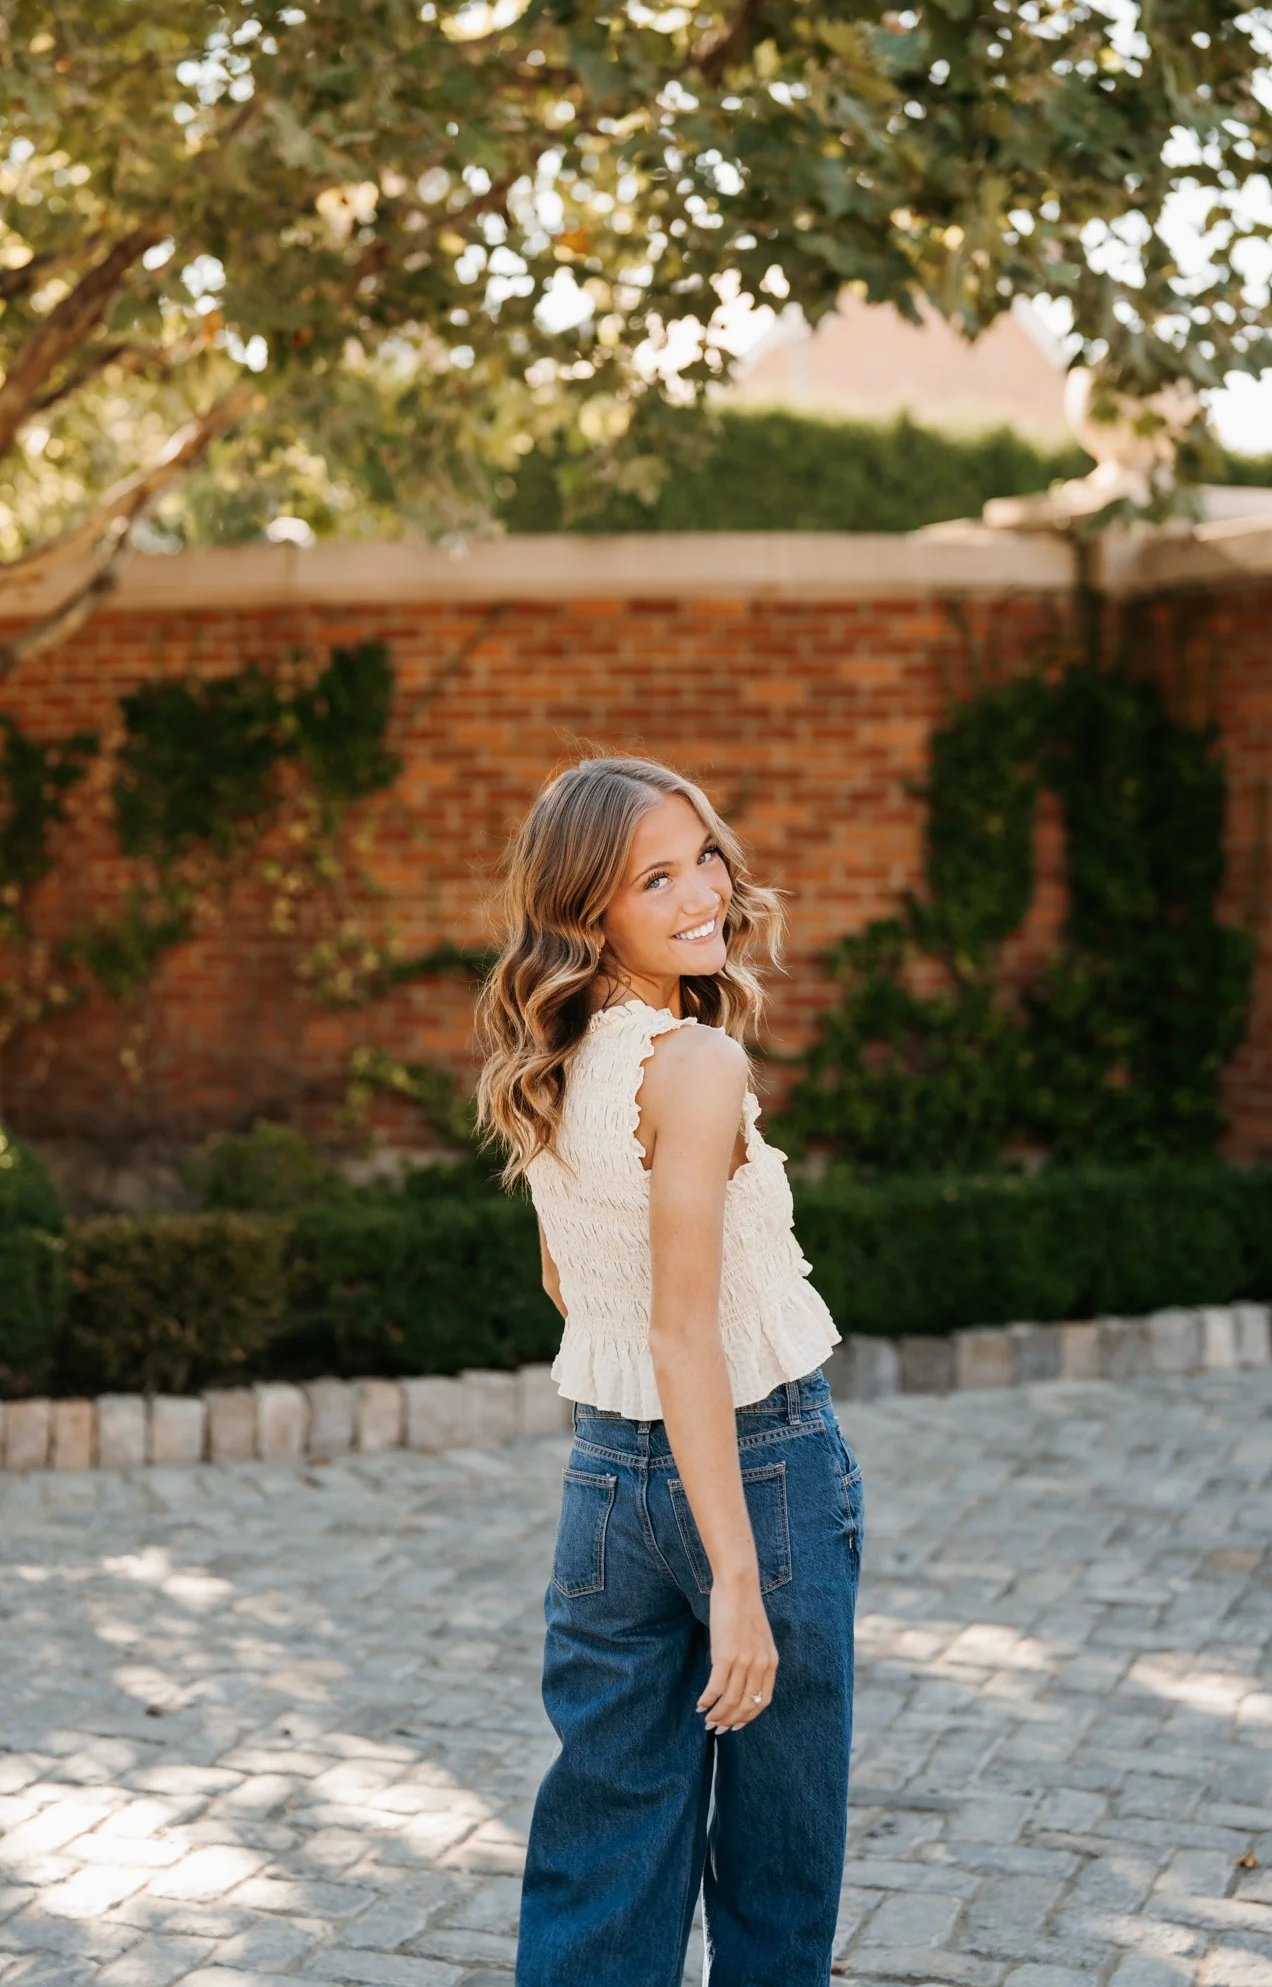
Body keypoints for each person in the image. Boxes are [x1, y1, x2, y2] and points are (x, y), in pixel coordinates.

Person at [475, 754, 862, 1987]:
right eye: (656, 877)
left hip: (606, 1482)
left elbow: (568, 1284)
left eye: (702, 856)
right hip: (761, 1471)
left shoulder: (554, 1058)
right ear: (590, 908)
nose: (702, 892)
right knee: (777, 1858)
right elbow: (683, 1331)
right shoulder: (694, 1064)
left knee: (605, 1842)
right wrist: (735, 1575)